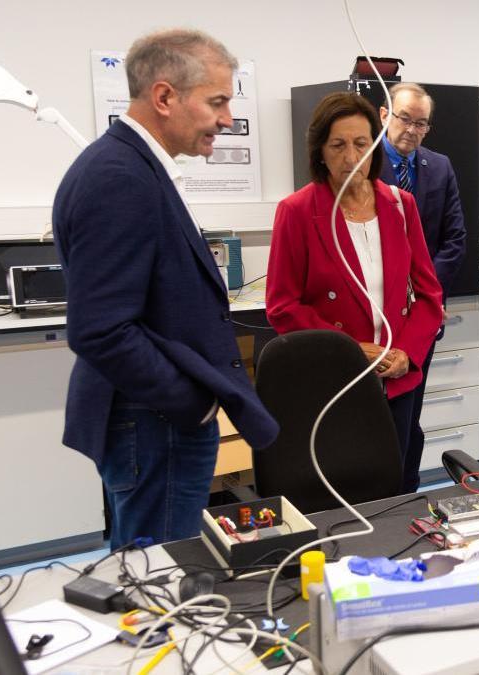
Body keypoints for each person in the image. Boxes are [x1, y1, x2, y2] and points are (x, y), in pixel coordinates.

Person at [52, 29, 278, 549]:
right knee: (160, 572)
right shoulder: (119, 177)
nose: (227, 118)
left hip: (150, 419)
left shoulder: (134, 168)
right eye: (217, 101)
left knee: (146, 567)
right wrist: (189, 404)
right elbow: (101, 330)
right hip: (154, 420)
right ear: (164, 97)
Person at [266, 92, 444, 493]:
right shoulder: (297, 211)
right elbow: (282, 306)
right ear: (320, 152)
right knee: (342, 490)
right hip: (335, 380)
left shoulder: (401, 206)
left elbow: (430, 297)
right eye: (338, 145)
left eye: (361, 143)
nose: (351, 157)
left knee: (395, 486)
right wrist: (348, 348)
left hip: (395, 378)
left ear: (375, 145)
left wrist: (406, 354)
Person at [377, 82, 466, 492]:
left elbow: (454, 239)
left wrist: (424, 294)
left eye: (421, 123)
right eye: (404, 118)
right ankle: (375, 493)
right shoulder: (362, 164)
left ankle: (406, 491)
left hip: (423, 316)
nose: (411, 129)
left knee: (411, 412)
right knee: (377, 413)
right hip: (375, 313)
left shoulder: (439, 166)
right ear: (384, 116)